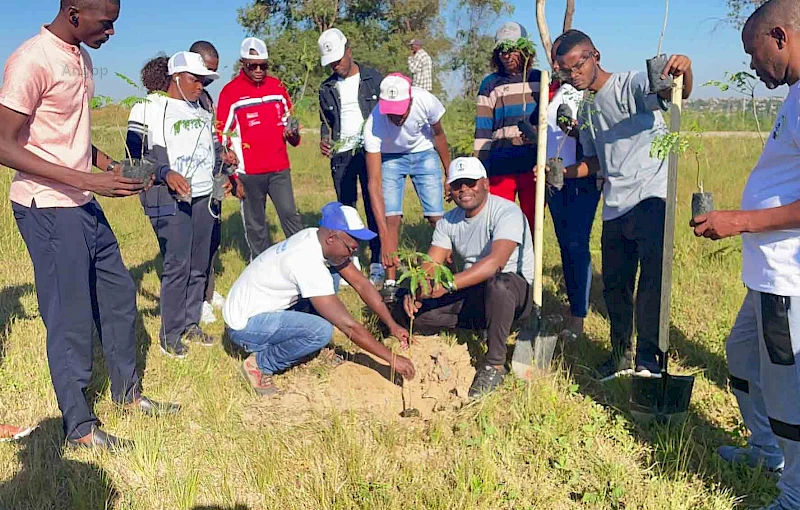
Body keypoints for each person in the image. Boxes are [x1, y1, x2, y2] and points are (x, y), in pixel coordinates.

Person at [0, 0, 179, 451]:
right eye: (107, 23)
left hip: (81, 203)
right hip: (47, 208)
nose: (112, 32)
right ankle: (78, 427)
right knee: (70, 317)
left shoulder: (82, 56)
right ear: (75, 12)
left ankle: (127, 393)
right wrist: (87, 179)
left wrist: (108, 166)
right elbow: (3, 145)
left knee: (118, 298)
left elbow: (69, 132)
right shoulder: (31, 60)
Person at [692, 1, 800, 508]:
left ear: (779, 36)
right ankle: (764, 449)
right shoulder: (795, 95)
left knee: (787, 391)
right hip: (766, 275)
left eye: (753, 52)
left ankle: (793, 494)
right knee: (740, 354)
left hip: (787, 282)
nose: (751, 65)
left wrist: (740, 221)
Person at [555, 30, 693, 379]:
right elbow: (595, 162)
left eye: (578, 65)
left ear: (595, 56)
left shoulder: (629, 84)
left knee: (650, 284)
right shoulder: (585, 108)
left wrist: (682, 70)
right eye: (565, 71)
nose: (574, 75)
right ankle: (620, 354)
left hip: (651, 195)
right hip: (615, 203)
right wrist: (557, 172)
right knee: (615, 286)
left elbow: (673, 93)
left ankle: (649, 361)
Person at [223, 202, 415, 395]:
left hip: (256, 307)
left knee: (332, 275)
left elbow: (361, 284)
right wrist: (391, 359)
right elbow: (349, 327)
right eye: (351, 248)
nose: (353, 254)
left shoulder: (316, 237)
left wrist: (392, 324)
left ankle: (304, 347)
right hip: (246, 326)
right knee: (320, 331)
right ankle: (260, 364)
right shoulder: (307, 261)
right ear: (332, 238)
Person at [395, 157, 534, 397]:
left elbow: (495, 264)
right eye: (458, 185)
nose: (464, 190)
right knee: (411, 310)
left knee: (498, 286)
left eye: (471, 183)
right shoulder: (448, 221)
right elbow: (431, 264)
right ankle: (483, 323)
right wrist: (416, 290)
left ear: (486, 184)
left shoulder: (507, 212)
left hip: (513, 289)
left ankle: (495, 364)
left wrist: (448, 285)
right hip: (473, 289)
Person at [126, 51, 229, 358]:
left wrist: (224, 164)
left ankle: (190, 323)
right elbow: (133, 160)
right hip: (170, 198)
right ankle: (170, 336)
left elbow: (212, 147)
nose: (201, 86)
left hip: (203, 196)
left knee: (200, 264)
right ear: (176, 78)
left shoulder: (202, 106)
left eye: (205, 80)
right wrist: (164, 173)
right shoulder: (149, 108)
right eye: (195, 80)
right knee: (177, 264)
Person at [364, 73, 451, 296]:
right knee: (391, 219)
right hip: (391, 158)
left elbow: (438, 134)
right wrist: (383, 236)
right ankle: (391, 284)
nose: (395, 117)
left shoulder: (426, 101)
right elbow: (374, 184)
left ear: (410, 100)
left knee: (436, 217)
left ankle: (450, 273)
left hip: (424, 153)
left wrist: (448, 171)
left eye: (400, 110)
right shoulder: (374, 123)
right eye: (390, 112)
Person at [217, 37, 303, 260]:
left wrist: (293, 134)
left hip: (279, 169)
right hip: (249, 173)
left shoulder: (278, 87)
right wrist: (233, 177)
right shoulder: (230, 92)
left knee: (290, 215)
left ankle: (302, 261)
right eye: (252, 66)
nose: (258, 71)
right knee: (256, 226)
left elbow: (292, 127)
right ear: (242, 63)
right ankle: (262, 271)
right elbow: (222, 135)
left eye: (263, 66)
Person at [317, 28, 385, 286]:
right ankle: (349, 261)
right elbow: (326, 122)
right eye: (331, 63)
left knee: (373, 204)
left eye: (339, 60)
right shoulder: (326, 87)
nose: (336, 66)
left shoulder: (373, 79)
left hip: (370, 151)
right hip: (342, 153)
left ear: (349, 51)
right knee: (346, 209)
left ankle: (377, 259)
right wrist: (326, 140)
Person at [545, 32, 601, 337]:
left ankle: (578, 318)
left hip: (581, 179)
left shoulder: (590, 93)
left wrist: (576, 130)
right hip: (555, 180)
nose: (564, 69)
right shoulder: (556, 91)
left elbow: (595, 142)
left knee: (577, 245)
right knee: (566, 245)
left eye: (569, 63)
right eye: (559, 63)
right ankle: (571, 309)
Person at [474, 22, 542, 230]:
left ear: (525, 50)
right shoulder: (490, 84)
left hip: (531, 162)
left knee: (532, 218)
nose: (506, 55)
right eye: (501, 50)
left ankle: (529, 260)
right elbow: (483, 129)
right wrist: (480, 167)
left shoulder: (539, 79)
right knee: (501, 219)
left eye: (512, 49)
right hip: (500, 162)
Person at [189, 40, 229, 324]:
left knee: (213, 238)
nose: (207, 81)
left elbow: (212, 137)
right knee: (195, 244)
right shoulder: (177, 98)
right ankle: (196, 300)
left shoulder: (206, 99)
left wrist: (224, 156)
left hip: (212, 178)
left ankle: (208, 290)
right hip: (190, 183)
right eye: (205, 74)